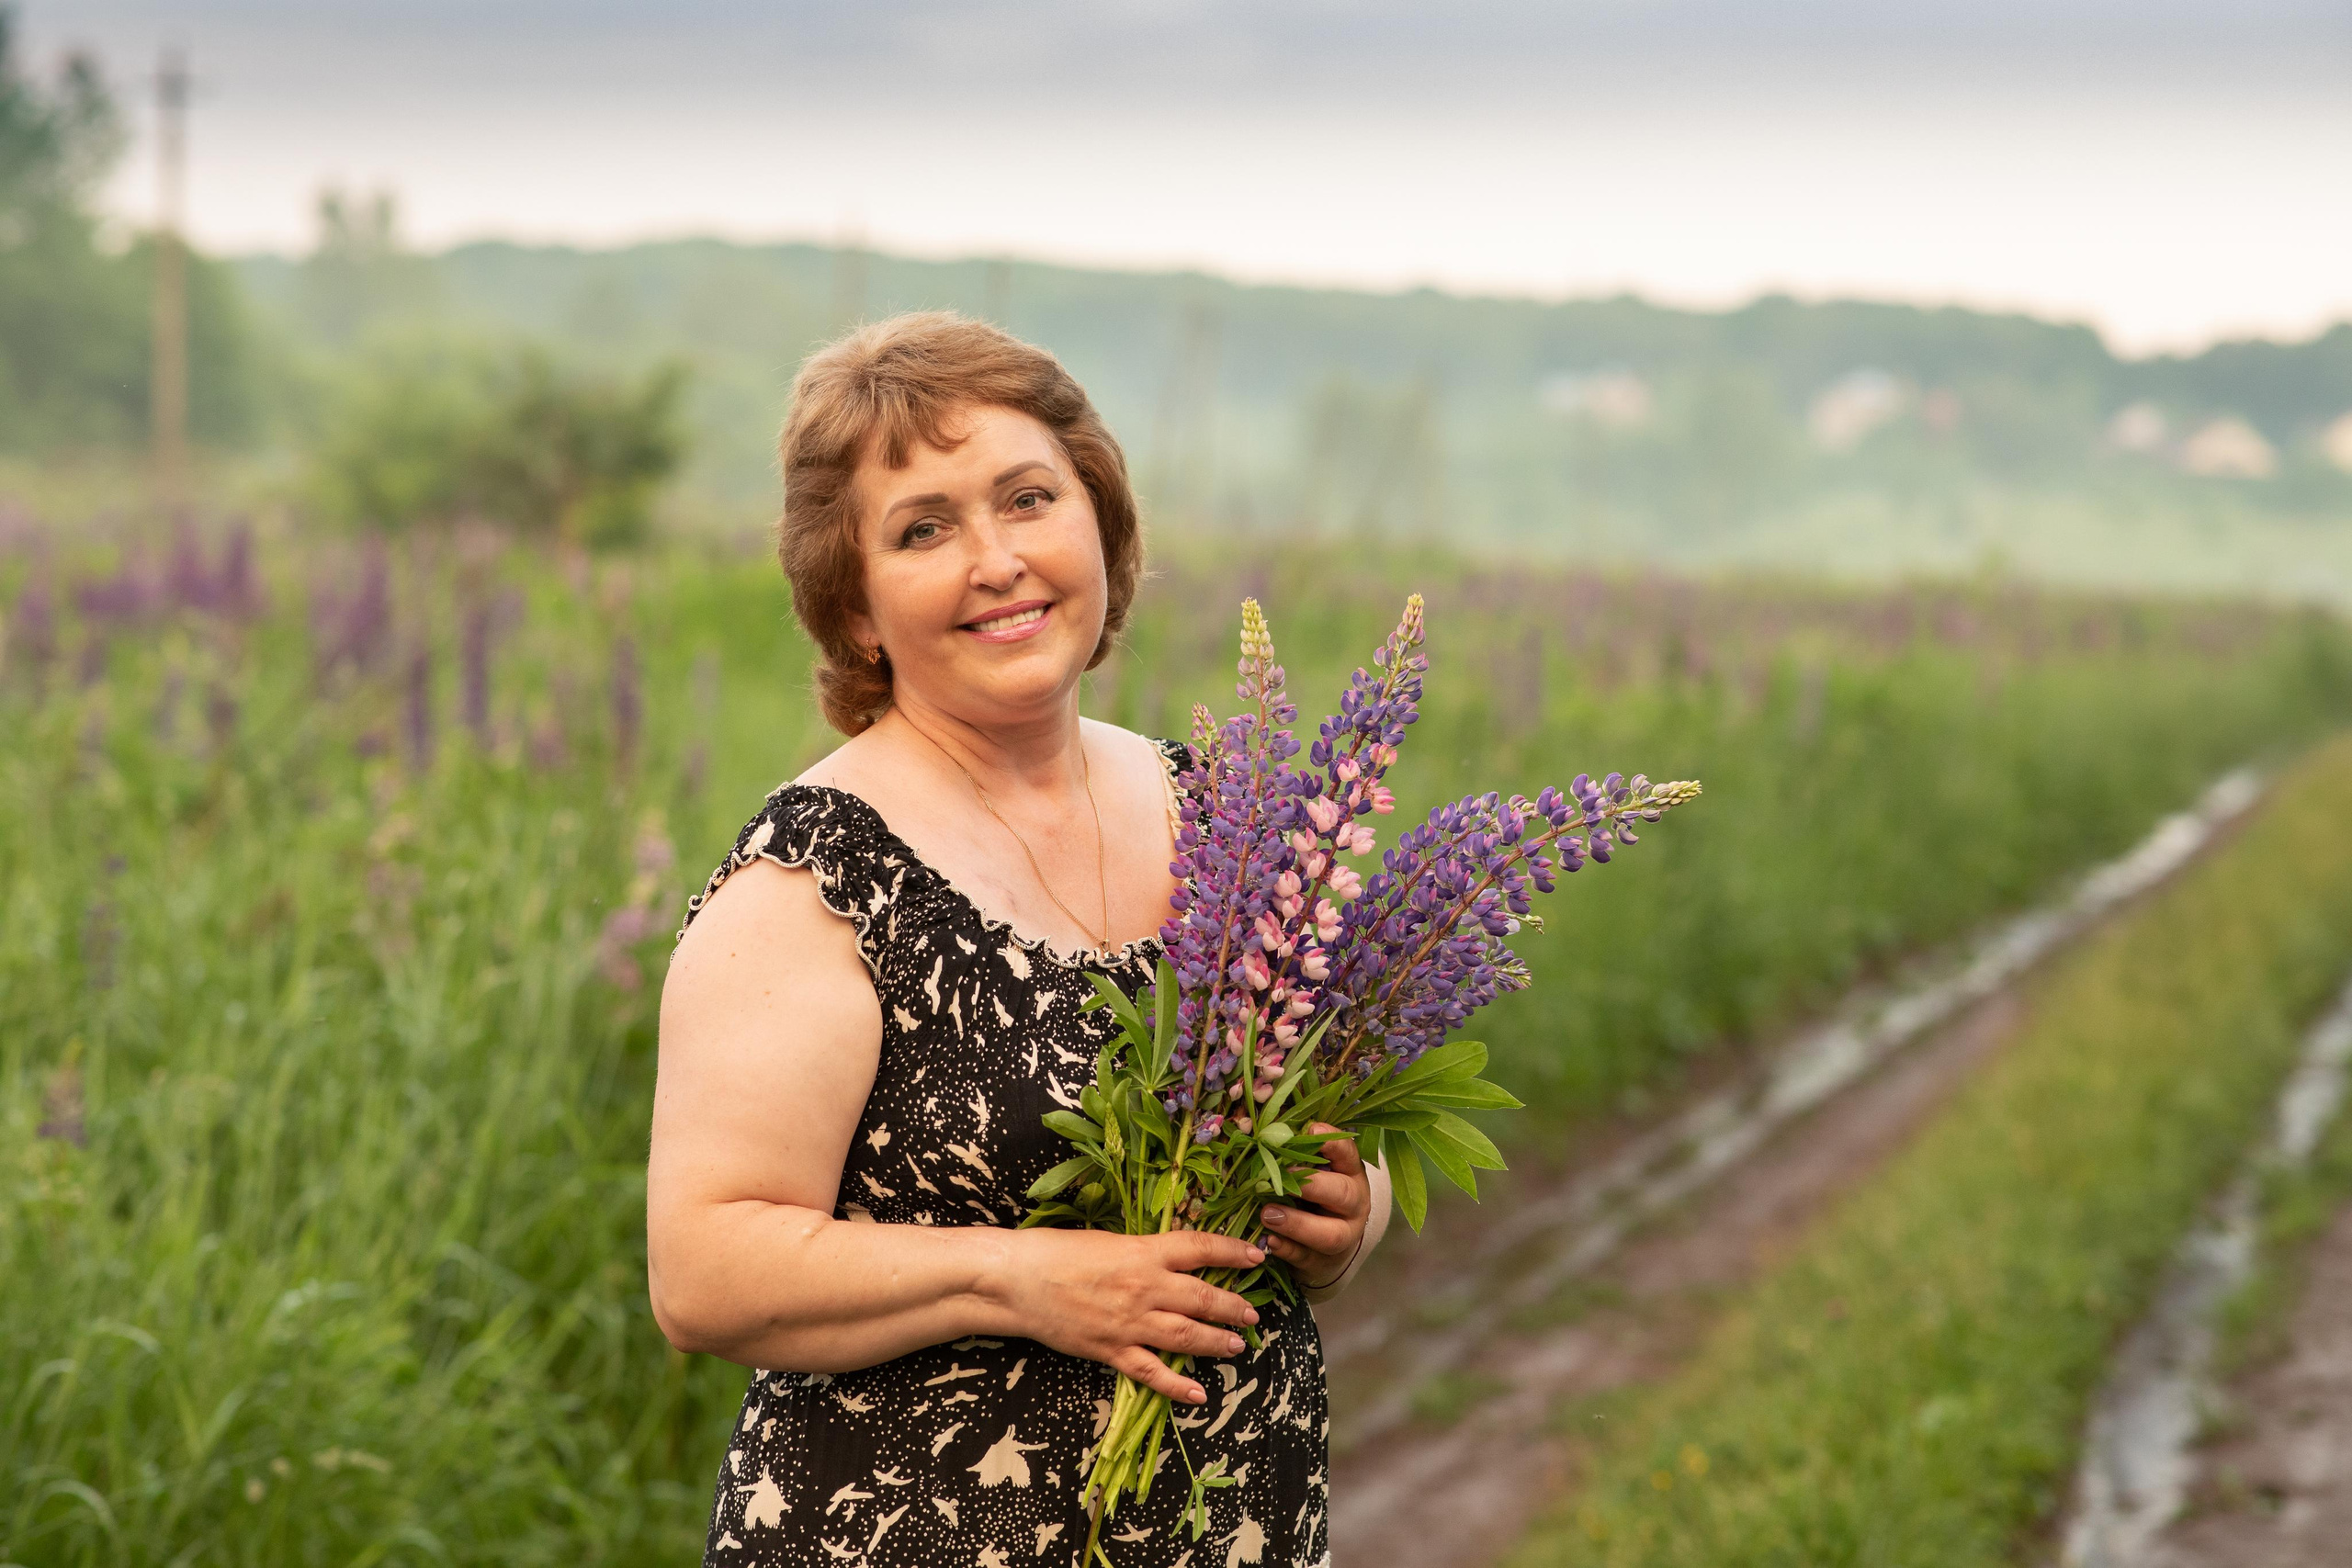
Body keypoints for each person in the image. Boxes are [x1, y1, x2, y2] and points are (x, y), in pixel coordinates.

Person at [649, 311, 1391, 1567]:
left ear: (1100, 527)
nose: (996, 560)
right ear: (860, 607)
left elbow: (1327, 1141)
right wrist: (1028, 1281)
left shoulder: (1231, 815)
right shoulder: (817, 880)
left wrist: (1345, 1213)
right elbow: (702, 1270)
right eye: (924, 529)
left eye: (1028, 498)